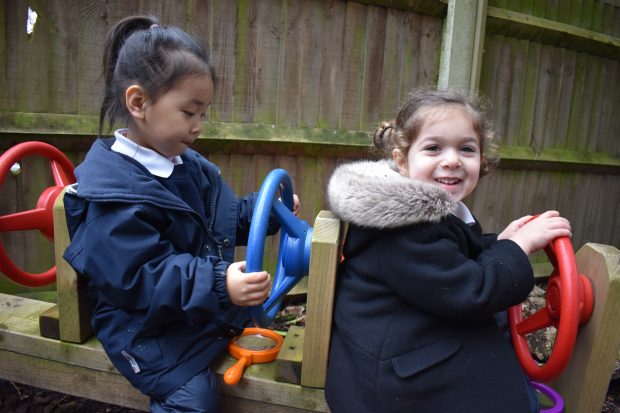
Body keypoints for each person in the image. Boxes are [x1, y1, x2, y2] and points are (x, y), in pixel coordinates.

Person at [62, 15, 299, 412]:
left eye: (204, 113)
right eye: (189, 113)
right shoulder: (112, 197)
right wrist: (222, 284)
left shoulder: (186, 166)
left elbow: (217, 224)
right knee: (194, 397)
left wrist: (264, 211)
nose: (200, 126)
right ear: (139, 103)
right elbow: (142, 277)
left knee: (262, 338)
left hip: (192, 310)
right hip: (143, 326)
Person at [324, 88, 571, 413]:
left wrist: (500, 245)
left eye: (466, 149)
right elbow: (471, 292)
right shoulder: (402, 228)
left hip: (403, 340)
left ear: (481, 160)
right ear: (402, 161)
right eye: (434, 148)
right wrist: (518, 247)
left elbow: (449, 257)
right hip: (386, 381)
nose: (452, 160)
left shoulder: (425, 210)